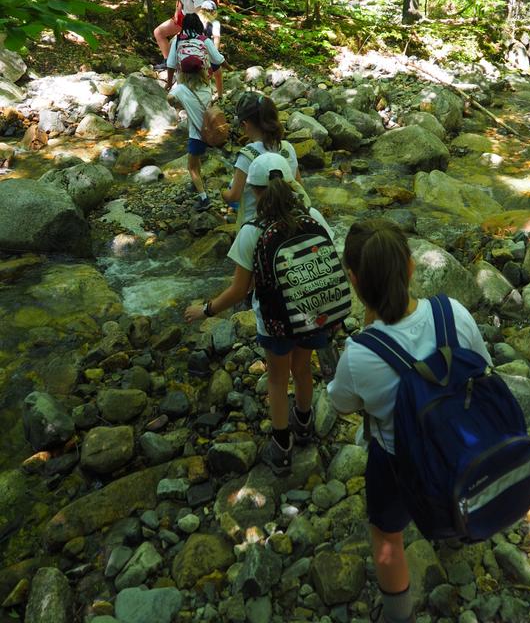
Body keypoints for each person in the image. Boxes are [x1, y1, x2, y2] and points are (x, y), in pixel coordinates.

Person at [327, 219, 492, 623]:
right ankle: (456, 530)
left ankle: (397, 615)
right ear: (411, 267)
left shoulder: (360, 354)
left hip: (399, 462)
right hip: (462, 443)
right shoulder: (452, 312)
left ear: (353, 280)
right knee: (454, 490)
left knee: (386, 534)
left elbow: (340, 405)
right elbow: (485, 369)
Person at [185, 152, 333, 474]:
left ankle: (281, 449)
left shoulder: (252, 232)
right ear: (291, 185)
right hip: (313, 313)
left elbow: (238, 290)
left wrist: (205, 309)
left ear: (254, 191)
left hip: (276, 321)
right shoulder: (314, 217)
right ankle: (305, 425)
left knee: (278, 380)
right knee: (304, 369)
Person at [165, 14, 225, 212]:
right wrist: (209, 73)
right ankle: (197, 181)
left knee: (190, 166)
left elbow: (171, 65)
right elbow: (218, 60)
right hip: (205, 94)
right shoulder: (204, 40)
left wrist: (169, 83)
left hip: (198, 133)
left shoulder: (177, 41)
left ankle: (204, 197)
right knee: (196, 154)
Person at [222, 92, 308, 226]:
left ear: (245, 125)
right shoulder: (287, 149)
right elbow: (298, 186)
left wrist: (222, 193)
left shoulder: (247, 155)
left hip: (256, 225)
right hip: (288, 220)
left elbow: (234, 196)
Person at [154, 0, 206, 70]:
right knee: (158, 32)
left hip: (195, 22)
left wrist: (188, 31)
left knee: (179, 43)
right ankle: (168, 63)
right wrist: (176, 14)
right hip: (183, 16)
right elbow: (179, 0)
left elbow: (201, 15)